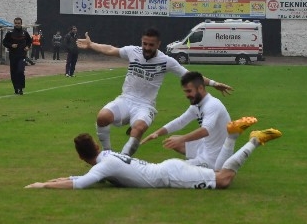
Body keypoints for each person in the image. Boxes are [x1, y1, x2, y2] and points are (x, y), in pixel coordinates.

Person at [76, 27, 233, 156]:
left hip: (145, 105)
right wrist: (91, 45)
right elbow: (111, 49)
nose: (147, 48)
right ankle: (108, 153)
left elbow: (189, 75)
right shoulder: (133, 51)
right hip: (126, 99)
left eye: (151, 45)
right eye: (145, 44)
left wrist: (214, 83)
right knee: (102, 117)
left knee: (138, 128)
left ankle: (122, 160)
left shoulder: (166, 61)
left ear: (158, 44)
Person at [24, 121, 282, 189]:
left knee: (224, 179)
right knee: (218, 173)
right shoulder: (107, 159)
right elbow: (77, 177)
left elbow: (80, 183)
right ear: (98, 148)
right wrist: (54, 180)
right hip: (167, 169)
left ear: (82, 158)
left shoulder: (102, 167)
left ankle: (252, 140)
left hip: (170, 177)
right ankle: (236, 136)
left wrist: (43, 185)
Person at [140, 71, 251, 169]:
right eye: (185, 91)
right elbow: (180, 121)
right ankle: (197, 161)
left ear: (201, 88)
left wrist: (182, 139)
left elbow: (205, 130)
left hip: (215, 157)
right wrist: (157, 133)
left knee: (173, 168)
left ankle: (206, 167)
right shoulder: (197, 104)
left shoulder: (212, 105)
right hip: (205, 146)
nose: (187, 95)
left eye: (189, 91)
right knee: (173, 140)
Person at [2, 17, 32, 95]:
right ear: (14, 23)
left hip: (22, 55)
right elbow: (4, 42)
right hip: (13, 55)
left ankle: (21, 88)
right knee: (14, 72)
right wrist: (11, 45)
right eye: (16, 23)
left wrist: (27, 47)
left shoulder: (24, 33)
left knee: (20, 71)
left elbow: (29, 41)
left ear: (21, 23)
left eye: (19, 23)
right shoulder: (10, 33)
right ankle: (16, 88)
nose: (17, 24)